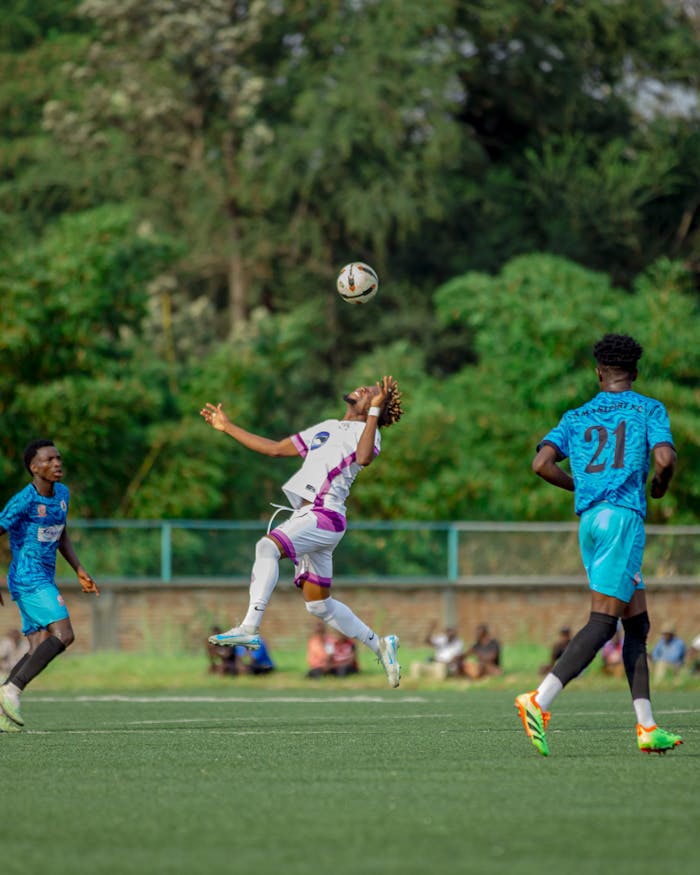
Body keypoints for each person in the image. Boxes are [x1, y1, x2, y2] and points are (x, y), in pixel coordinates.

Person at [515, 334, 682, 756]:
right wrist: (659, 486)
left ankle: (647, 728)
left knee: (637, 625)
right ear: (635, 372)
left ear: (598, 371)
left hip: (590, 521)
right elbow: (664, 460)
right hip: (622, 520)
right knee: (603, 623)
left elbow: (540, 464)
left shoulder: (576, 416)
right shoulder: (648, 408)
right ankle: (539, 700)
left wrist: (581, 487)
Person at [201, 375, 404, 687]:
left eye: (373, 393)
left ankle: (249, 628)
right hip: (312, 518)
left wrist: (375, 412)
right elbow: (275, 449)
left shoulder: (369, 433)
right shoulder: (326, 426)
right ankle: (380, 644)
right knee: (319, 604)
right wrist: (227, 427)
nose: (365, 389)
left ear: (374, 407)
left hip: (324, 514)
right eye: (367, 387)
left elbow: (363, 458)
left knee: (266, 548)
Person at [0, 439, 99, 733]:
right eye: (50, 459)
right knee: (65, 634)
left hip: (45, 577)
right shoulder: (24, 501)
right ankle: (10, 691)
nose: (57, 463)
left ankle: (4, 700)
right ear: (34, 467)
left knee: (40, 646)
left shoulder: (63, 494)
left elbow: (61, 533)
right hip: (28, 577)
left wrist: (80, 569)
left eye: (59, 458)